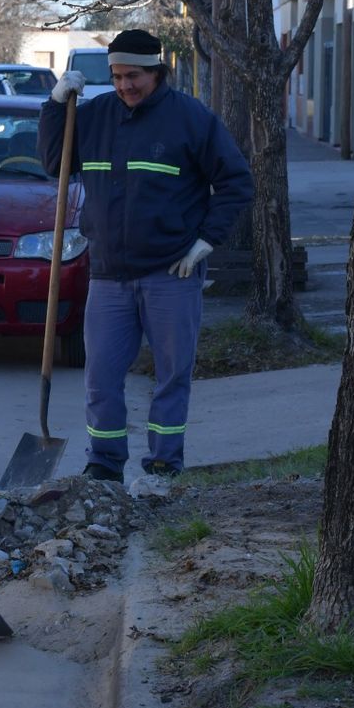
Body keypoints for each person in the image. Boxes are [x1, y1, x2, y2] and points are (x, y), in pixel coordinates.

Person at [38, 29, 253, 482]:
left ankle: (162, 465)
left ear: (157, 72)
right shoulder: (92, 117)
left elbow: (236, 183)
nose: (124, 86)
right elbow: (55, 164)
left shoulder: (191, 120)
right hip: (109, 276)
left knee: (171, 376)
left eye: (133, 76)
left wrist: (206, 241)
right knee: (100, 380)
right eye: (116, 76)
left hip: (170, 272)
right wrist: (56, 106)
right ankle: (104, 465)